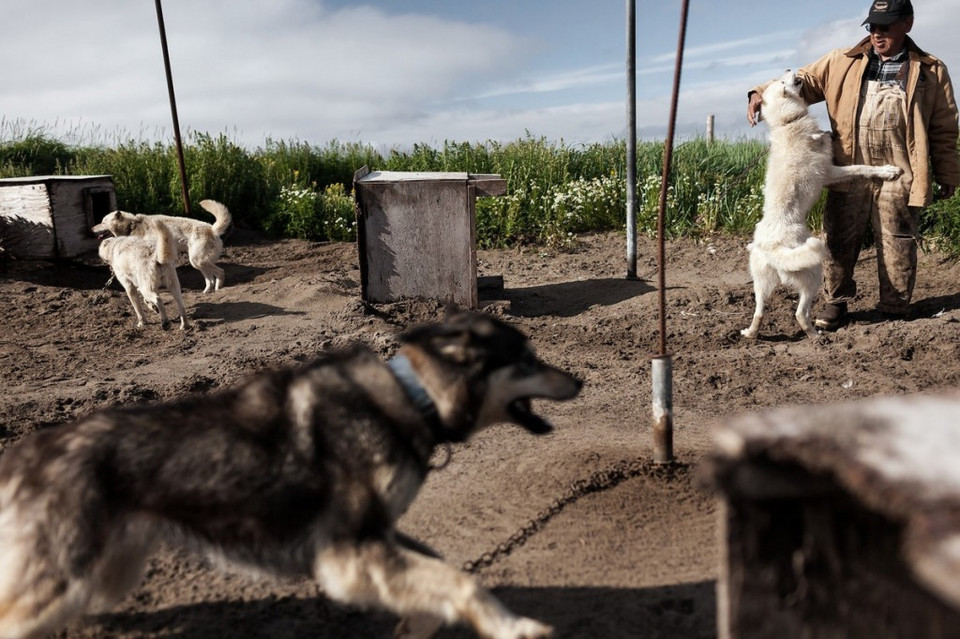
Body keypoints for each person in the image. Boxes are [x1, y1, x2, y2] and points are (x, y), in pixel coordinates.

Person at [746, 0, 960, 330]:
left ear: (908, 24)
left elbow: (944, 127)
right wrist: (760, 92)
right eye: (872, 27)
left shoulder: (931, 70)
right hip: (849, 165)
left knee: (898, 240)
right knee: (839, 240)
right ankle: (837, 303)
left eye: (885, 26)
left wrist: (948, 172)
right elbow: (801, 80)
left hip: (899, 169)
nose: (877, 33)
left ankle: (894, 307)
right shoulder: (841, 62)